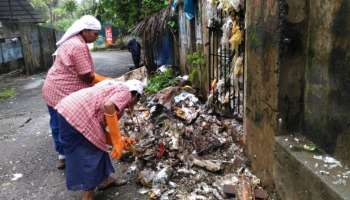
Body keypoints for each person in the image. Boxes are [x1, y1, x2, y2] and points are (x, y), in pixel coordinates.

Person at [56, 79, 144, 200]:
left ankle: (106, 180)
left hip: (65, 110)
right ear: (136, 95)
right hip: (79, 116)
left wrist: (119, 140)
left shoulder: (113, 85)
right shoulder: (126, 92)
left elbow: (101, 129)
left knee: (96, 145)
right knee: (92, 155)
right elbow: (108, 106)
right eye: (137, 100)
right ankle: (87, 196)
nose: (135, 104)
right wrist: (117, 140)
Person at [42, 15, 110, 170]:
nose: (96, 36)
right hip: (61, 92)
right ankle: (71, 156)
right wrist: (108, 83)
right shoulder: (78, 45)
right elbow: (86, 75)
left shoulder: (71, 42)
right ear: (85, 31)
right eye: (94, 33)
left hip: (52, 88)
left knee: (57, 124)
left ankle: (64, 155)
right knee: (68, 125)